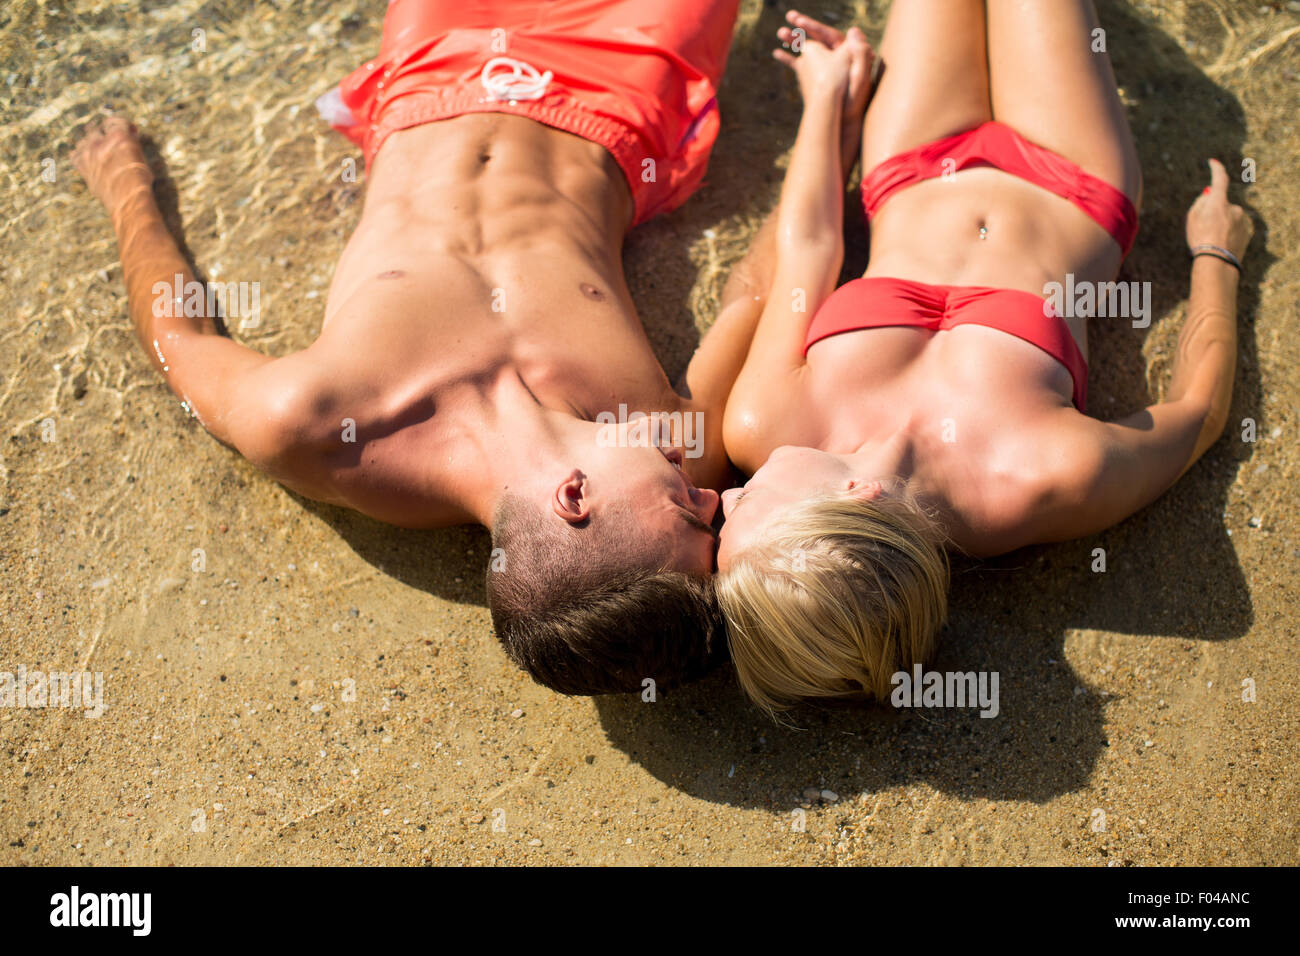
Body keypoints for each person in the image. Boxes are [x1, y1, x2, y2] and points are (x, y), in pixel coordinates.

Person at [70, 0, 754, 695]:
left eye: (685, 508)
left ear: (574, 496)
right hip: (629, 88)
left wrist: (125, 187)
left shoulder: (310, 424)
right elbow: (759, 292)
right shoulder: (681, 440)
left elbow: (178, 333)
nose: (712, 500)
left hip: (437, 67)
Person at [715, 2, 1254, 715]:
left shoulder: (761, 421)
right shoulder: (1042, 477)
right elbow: (1197, 413)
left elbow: (810, 248)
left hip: (908, 162)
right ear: (855, 500)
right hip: (1075, 180)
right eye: (746, 505)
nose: (722, 496)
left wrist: (827, 102)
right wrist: (1217, 254)